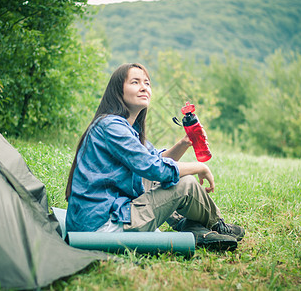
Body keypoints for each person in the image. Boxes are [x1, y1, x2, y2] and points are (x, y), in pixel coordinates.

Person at [65, 63, 244, 251]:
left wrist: (184, 143)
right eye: (135, 82)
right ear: (118, 91)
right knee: (186, 184)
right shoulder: (112, 126)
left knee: (170, 178)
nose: (144, 87)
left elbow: (155, 159)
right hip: (102, 228)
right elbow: (155, 168)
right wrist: (200, 167)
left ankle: (193, 227)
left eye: (147, 83)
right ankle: (215, 225)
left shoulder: (125, 127)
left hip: (109, 213)